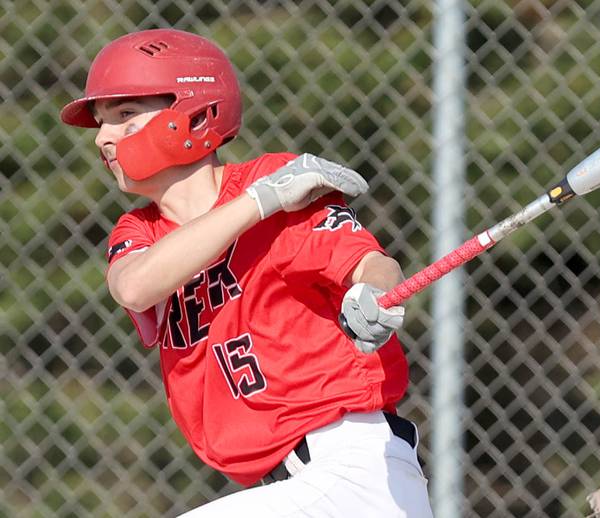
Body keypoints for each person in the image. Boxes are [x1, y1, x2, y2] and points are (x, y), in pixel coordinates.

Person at [60, 28, 433, 517]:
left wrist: (373, 295)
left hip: (353, 471)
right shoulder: (144, 230)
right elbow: (133, 285)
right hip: (291, 486)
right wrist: (258, 204)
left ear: (193, 114)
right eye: (103, 124)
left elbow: (372, 264)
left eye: (126, 117)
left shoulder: (275, 181)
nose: (105, 138)